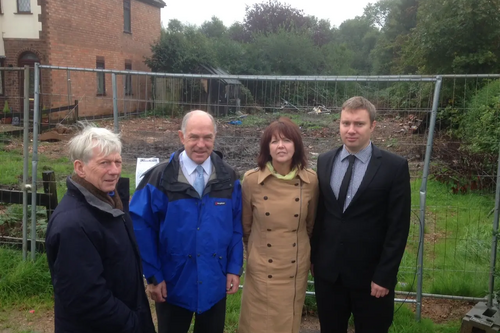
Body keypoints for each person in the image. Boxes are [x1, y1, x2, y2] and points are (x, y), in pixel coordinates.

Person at [130, 110, 243, 333]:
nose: (201, 144)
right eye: (194, 137)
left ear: (215, 137)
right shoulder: (160, 179)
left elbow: (236, 227)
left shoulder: (229, 179)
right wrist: (153, 276)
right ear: (181, 137)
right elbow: (141, 227)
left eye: (207, 137)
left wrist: (233, 268)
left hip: (214, 281)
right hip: (172, 283)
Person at [311, 96, 411, 333]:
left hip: (371, 279)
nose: (351, 130)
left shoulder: (394, 167)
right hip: (330, 276)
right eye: (346, 123)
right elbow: (321, 214)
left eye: (359, 124)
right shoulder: (325, 161)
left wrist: (385, 276)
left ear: (372, 126)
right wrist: (315, 259)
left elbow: (398, 227)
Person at [45, 124, 155, 333]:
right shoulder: (73, 225)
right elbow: (86, 299)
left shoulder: (111, 204)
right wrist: (132, 322)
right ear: (80, 168)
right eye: (104, 163)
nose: (114, 171)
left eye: (117, 162)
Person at [238, 117, 319, 333]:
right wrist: (255, 254)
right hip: (261, 267)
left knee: (287, 323)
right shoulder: (251, 181)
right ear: (267, 148)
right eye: (274, 141)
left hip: (294, 268)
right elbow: (246, 227)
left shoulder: (311, 181)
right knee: (255, 323)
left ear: (296, 145)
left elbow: (310, 226)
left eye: (286, 140)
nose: (280, 146)